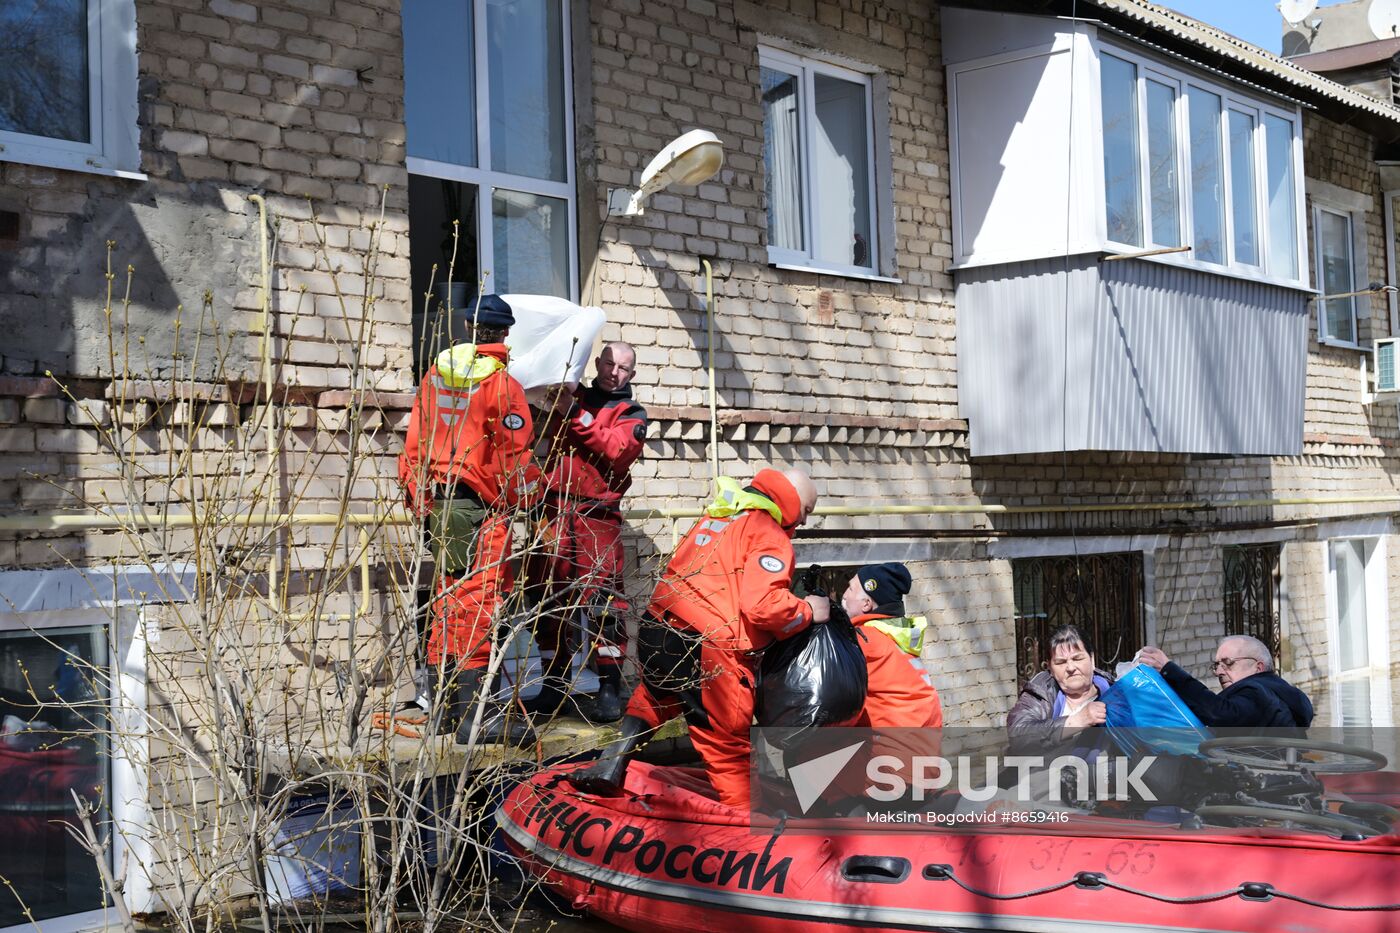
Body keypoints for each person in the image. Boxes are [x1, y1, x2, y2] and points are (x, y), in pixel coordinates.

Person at [571, 468, 828, 807]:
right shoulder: (768, 533)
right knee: (727, 744)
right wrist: (809, 610)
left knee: (656, 695)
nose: (805, 522)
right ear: (793, 500)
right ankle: (747, 833)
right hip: (708, 645)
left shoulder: (720, 515)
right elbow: (763, 607)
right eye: (807, 511)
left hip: (659, 625)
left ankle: (610, 765)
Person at [398, 294, 541, 746]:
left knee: (446, 604)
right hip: (480, 508)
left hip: (438, 506)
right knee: (478, 607)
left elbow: (414, 445)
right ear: (504, 334)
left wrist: (420, 499)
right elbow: (516, 457)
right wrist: (532, 495)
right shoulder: (502, 386)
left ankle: (444, 712)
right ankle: (477, 720)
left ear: (467, 328)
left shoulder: (435, 377)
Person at [528, 342, 647, 722]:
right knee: (548, 601)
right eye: (609, 363)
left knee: (604, 605)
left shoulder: (630, 412)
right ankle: (553, 684)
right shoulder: (568, 395)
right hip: (552, 513)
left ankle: (610, 689)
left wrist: (574, 412)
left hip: (597, 516)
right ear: (596, 363)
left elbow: (615, 450)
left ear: (632, 374)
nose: (615, 371)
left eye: (623, 367)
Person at [840, 563, 941, 729]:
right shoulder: (895, 633)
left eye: (850, 588)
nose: (844, 595)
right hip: (924, 735)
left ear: (866, 604)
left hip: (891, 744)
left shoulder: (865, 640)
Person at [1137, 636, 1313, 728]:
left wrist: (1169, 669)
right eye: (1216, 665)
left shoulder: (1257, 692)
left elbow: (1220, 714)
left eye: (1228, 663)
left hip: (1261, 784)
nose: (1220, 672)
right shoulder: (1282, 693)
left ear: (1258, 667)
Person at [1006, 625, 1113, 756]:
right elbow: (1018, 737)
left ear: (1092, 659)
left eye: (1077, 658)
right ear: (1050, 667)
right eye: (1061, 662)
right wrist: (1077, 721)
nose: (1070, 667)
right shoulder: (1040, 692)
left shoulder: (1113, 691)